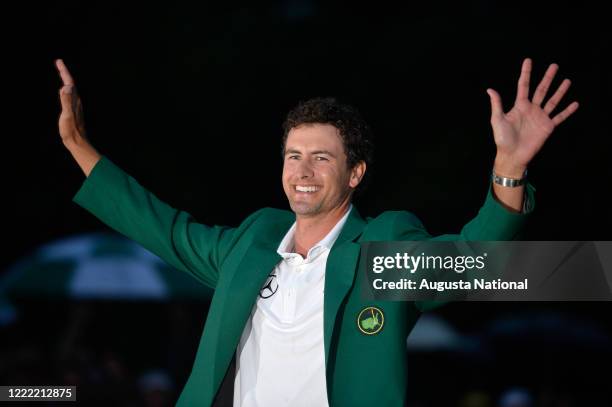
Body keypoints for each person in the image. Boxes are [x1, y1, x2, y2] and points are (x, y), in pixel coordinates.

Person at [55, 58, 578, 407]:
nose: (302, 171)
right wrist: (80, 145)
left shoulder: (382, 248)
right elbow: (161, 226)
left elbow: (473, 260)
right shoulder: (253, 240)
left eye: (321, 158)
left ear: (355, 174)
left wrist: (507, 169)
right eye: (293, 156)